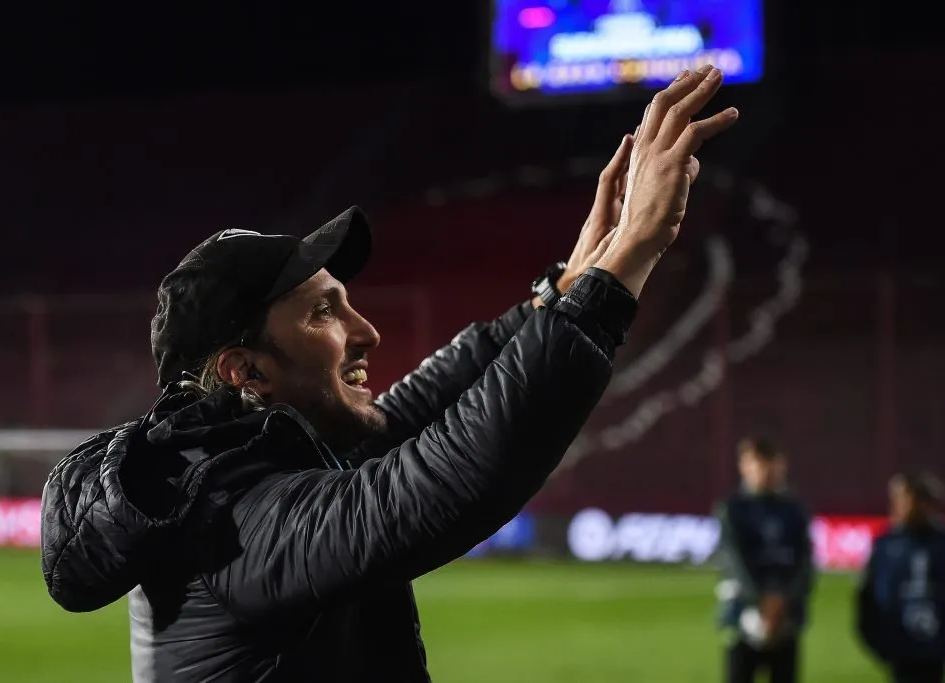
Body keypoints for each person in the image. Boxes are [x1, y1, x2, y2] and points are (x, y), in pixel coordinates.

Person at [40, 65, 739, 682]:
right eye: (322, 314)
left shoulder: (262, 457)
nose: (366, 331)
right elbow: (441, 478)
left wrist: (564, 289)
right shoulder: (227, 521)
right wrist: (623, 269)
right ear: (245, 370)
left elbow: (416, 411)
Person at [714, 436, 815, 683]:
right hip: (741, 615)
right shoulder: (732, 509)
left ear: (782, 465)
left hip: (787, 617)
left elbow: (805, 560)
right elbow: (734, 560)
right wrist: (760, 599)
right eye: (757, 464)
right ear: (743, 467)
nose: (765, 471)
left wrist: (784, 599)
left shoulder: (794, 509)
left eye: (770, 464)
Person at [857, 471, 945, 683]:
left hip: (933, 650)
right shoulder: (886, 546)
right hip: (900, 651)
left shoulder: (940, 544)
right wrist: (881, 646)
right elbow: (867, 601)